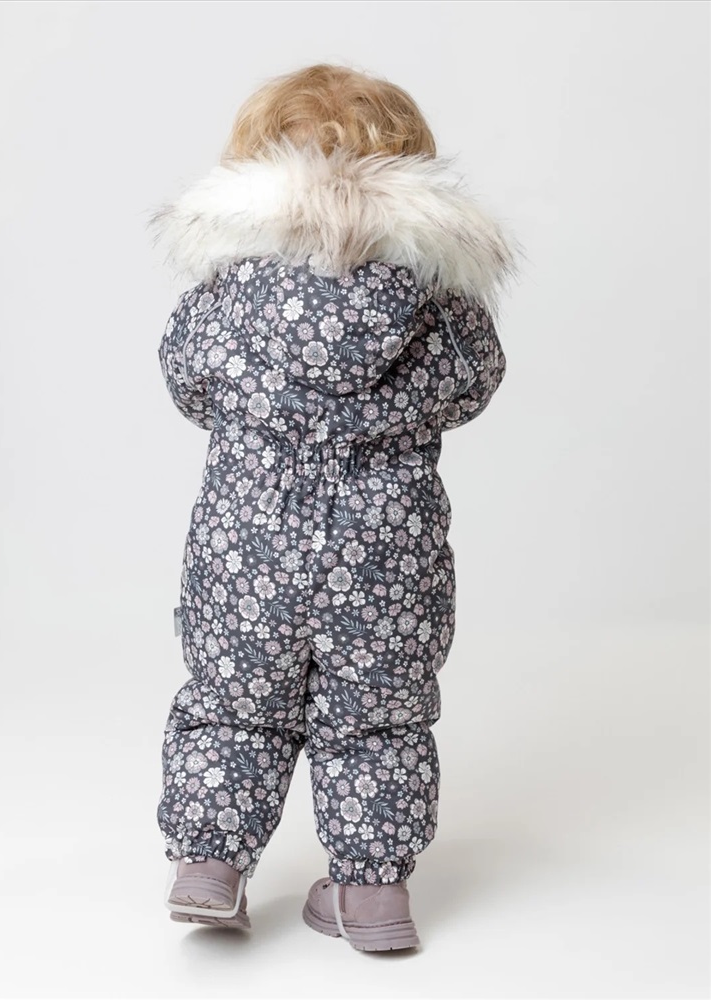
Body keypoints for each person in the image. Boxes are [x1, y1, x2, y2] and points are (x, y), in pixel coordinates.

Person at [149, 62, 516, 952]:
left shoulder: (225, 297)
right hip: (387, 556)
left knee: (234, 701)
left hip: (246, 548)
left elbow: (188, 383)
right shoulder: (441, 302)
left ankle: (209, 867)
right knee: (379, 717)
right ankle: (373, 894)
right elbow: (473, 386)